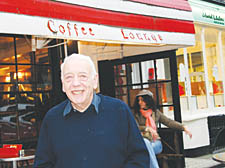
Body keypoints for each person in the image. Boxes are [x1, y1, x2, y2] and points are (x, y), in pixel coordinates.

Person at [33, 53, 149, 168]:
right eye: (69, 77)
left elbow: (139, 158)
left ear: (94, 81)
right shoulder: (52, 119)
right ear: (63, 84)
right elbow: (42, 164)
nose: (76, 83)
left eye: (82, 76)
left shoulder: (119, 111)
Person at [133, 89, 192, 168]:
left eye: (142, 100)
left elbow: (169, 122)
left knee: (144, 151)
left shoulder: (156, 113)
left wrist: (183, 127)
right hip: (142, 143)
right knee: (145, 143)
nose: (140, 102)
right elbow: (135, 127)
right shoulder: (136, 115)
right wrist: (148, 128)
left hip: (155, 143)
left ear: (148, 101)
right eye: (139, 100)